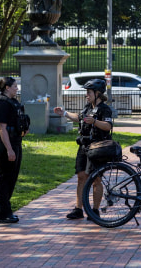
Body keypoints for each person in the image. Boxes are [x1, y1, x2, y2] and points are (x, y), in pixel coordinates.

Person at [53, 78, 113, 220]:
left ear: (98, 93)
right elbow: (79, 118)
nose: (87, 94)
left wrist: (95, 122)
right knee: (81, 177)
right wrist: (64, 113)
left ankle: (95, 211)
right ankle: (78, 209)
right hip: (84, 146)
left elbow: (108, 126)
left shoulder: (105, 109)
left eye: (89, 92)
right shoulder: (88, 107)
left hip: (98, 147)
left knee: (96, 179)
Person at [0, 76, 28, 224]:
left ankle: (2, 211)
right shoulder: (2, 104)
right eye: (14, 86)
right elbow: (2, 128)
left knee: (11, 177)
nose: (16, 88)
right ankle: (3, 213)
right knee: (6, 178)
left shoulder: (14, 102)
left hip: (15, 141)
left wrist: (23, 128)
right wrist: (9, 150)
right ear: (7, 88)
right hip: (5, 143)